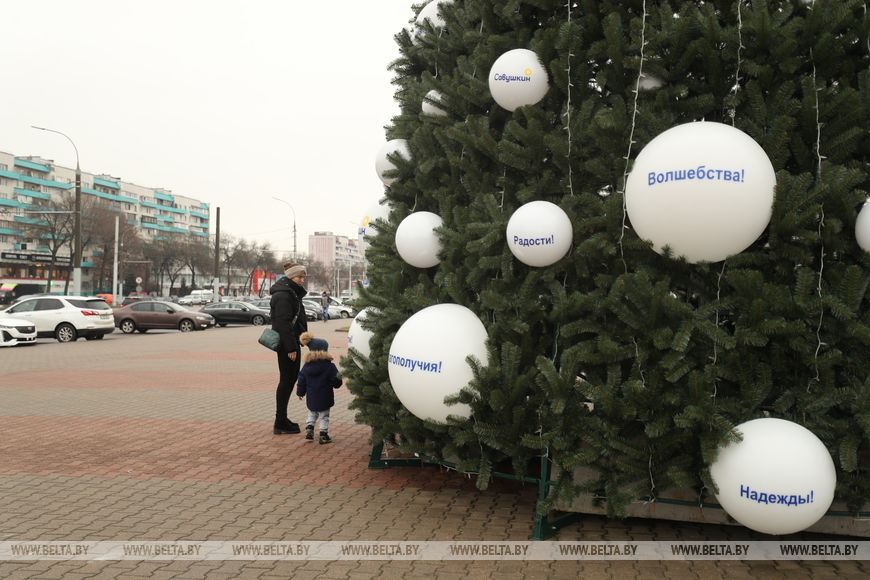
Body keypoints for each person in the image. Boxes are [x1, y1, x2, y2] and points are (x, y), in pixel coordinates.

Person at [269, 261, 309, 435]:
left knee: (289, 380)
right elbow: (282, 324)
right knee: (286, 381)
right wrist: (291, 348)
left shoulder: (290, 293)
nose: (302, 280)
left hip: (291, 343)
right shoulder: (284, 296)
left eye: (303, 277)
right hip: (288, 346)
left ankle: (282, 419)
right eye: (299, 277)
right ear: (291, 276)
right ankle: (280, 421)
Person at [296, 332, 342, 444]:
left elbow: (301, 380)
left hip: (312, 397)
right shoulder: (329, 366)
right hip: (325, 396)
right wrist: (336, 384)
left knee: (312, 413)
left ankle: (309, 430)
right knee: (324, 416)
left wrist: (300, 392)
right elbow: (337, 380)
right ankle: (323, 435)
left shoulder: (306, 366)